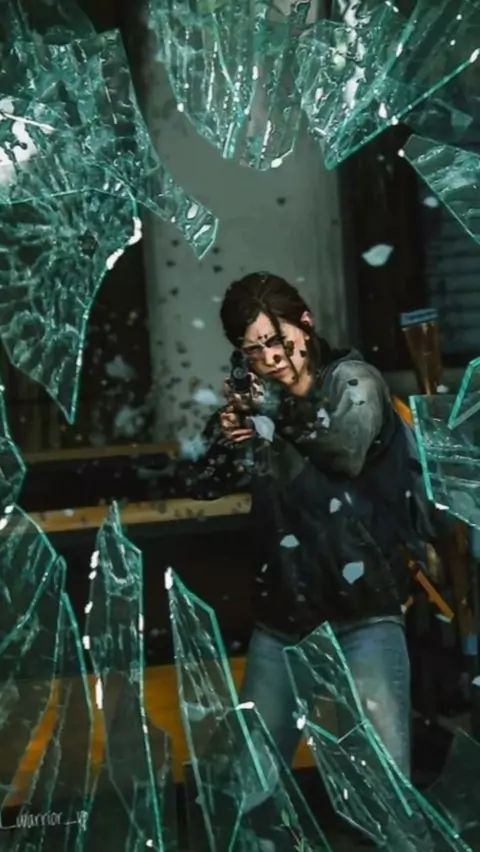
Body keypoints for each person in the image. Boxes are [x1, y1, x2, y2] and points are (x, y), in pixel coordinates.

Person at [180, 271, 431, 781]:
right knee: (252, 785)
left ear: (306, 324)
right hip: (285, 622)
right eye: (253, 349)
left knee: (384, 789)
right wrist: (226, 435)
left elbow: (344, 449)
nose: (271, 357)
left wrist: (273, 410)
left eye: (277, 340)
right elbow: (199, 483)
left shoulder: (354, 381)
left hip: (364, 616)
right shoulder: (261, 403)